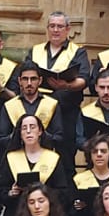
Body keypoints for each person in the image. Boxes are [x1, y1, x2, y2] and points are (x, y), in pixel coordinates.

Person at [25, 10, 88, 160]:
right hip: (38, 111)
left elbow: (84, 79)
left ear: (68, 29)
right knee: (37, 156)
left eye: (60, 26)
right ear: (47, 28)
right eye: (52, 26)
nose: (55, 30)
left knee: (65, 158)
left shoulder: (78, 52)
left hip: (66, 111)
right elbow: (24, 73)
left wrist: (66, 85)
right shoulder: (35, 51)